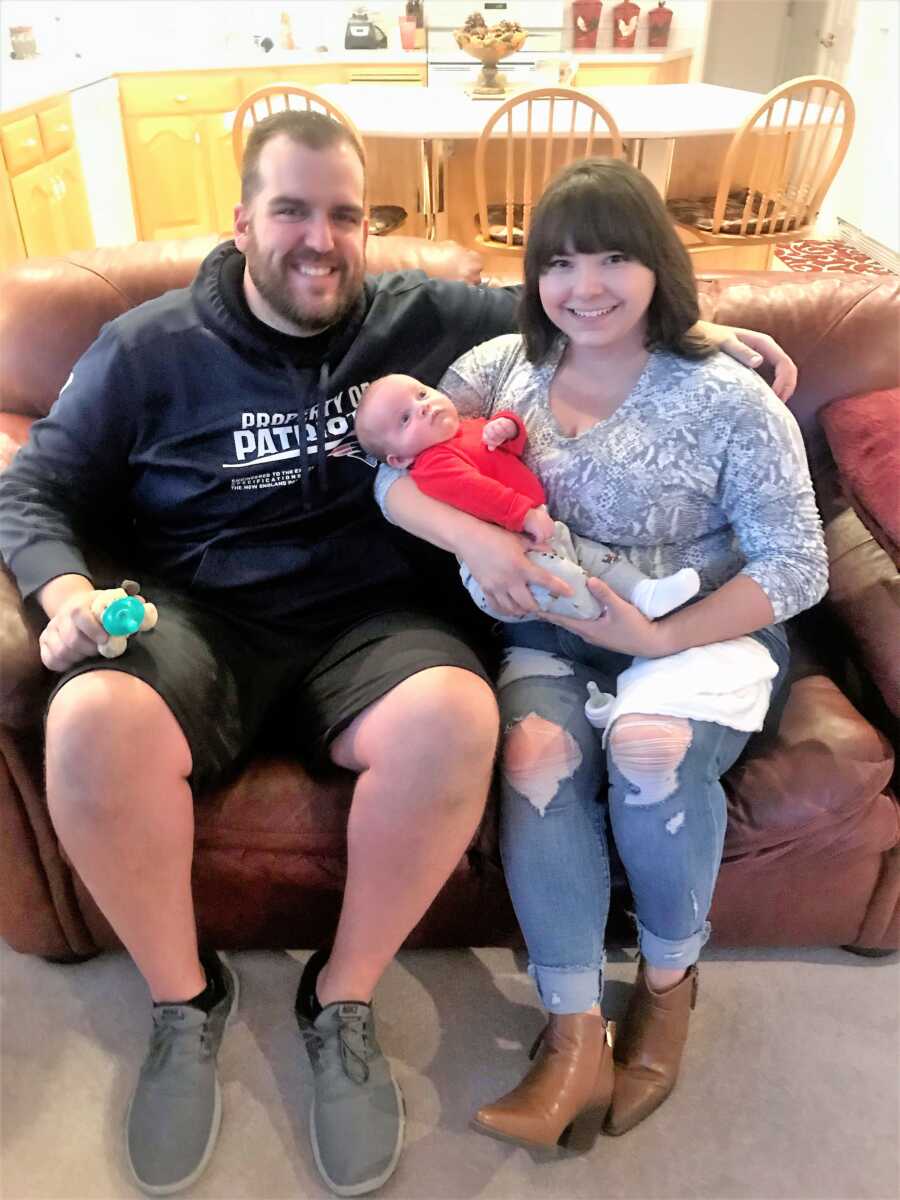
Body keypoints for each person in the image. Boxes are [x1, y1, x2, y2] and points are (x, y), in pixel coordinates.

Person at [0, 105, 798, 1198]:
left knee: (460, 718)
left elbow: (581, 306)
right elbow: (35, 484)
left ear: (367, 226)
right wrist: (68, 591)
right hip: (199, 617)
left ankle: (344, 998)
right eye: (290, 210)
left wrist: (723, 336)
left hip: (376, 624)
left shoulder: (427, 318)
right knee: (86, 719)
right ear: (241, 219)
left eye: (343, 214)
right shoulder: (145, 349)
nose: (319, 239)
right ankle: (185, 1005)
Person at [378, 157, 828, 1151]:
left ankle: (668, 989)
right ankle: (575, 1030)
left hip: (701, 628)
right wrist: (483, 541)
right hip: (553, 628)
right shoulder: (499, 368)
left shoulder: (729, 397)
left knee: (652, 747)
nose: (586, 286)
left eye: (614, 257)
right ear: (533, 277)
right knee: (535, 759)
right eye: (561, 263)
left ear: (660, 266)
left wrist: (657, 637)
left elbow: (798, 563)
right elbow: (397, 474)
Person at [355, 372, 701, 626]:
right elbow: (478, 493)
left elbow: (511, 452)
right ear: (398, 460)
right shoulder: (432, 465)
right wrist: (522, 515)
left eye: (421, 394)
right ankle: (615, 622)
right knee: (564, 582)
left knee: (595, 558)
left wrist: (507, 427)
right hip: (505, 559)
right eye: (404, 418)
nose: (424, 408)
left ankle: (645, 592)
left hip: (537, 530)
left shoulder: (468, 429)